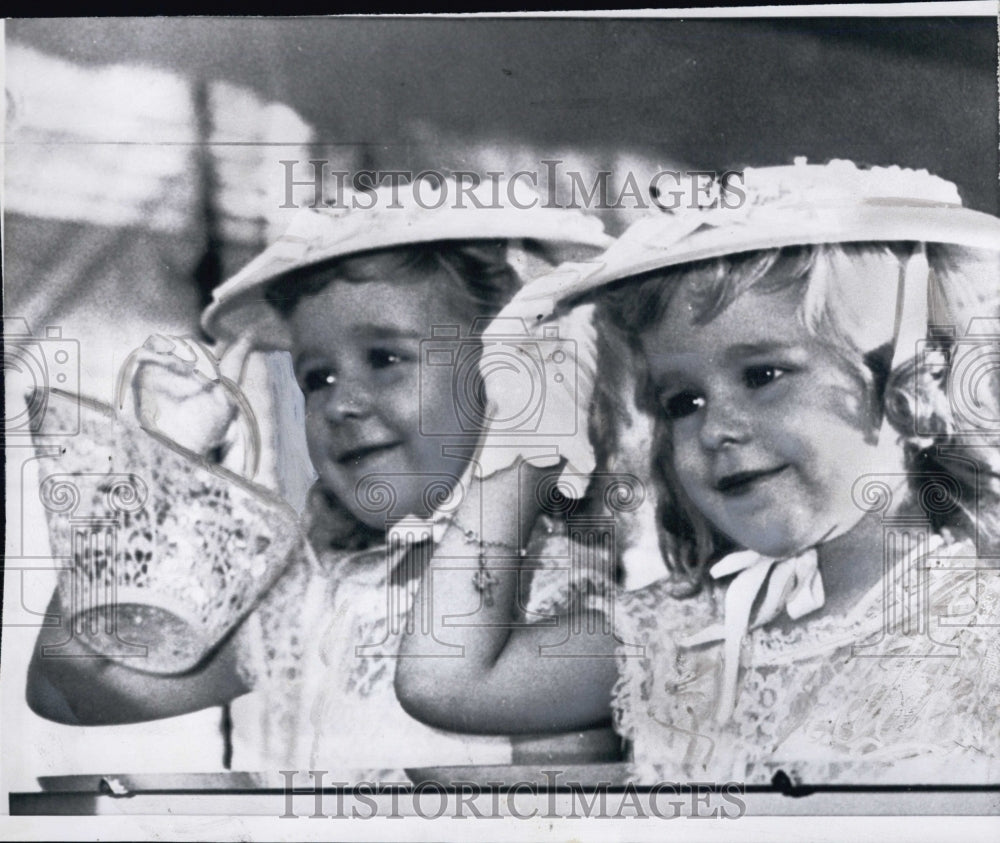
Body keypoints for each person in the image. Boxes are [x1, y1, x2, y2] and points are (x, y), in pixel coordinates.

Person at [395, 160, 1000, 784]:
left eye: (763, 375)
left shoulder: (977, 631)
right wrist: (524, 432)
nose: (715, 429)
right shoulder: (681, 631)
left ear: (915, 385)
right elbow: (445, 680)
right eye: (682, 402)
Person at [26, 178, 619, 775]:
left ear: (519, 374)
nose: (340, 405)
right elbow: (71, 683)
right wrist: (162, 459)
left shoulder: (569, 600)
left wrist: (523, 442)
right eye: (317, 378)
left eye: (385, 359)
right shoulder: (327, 596)